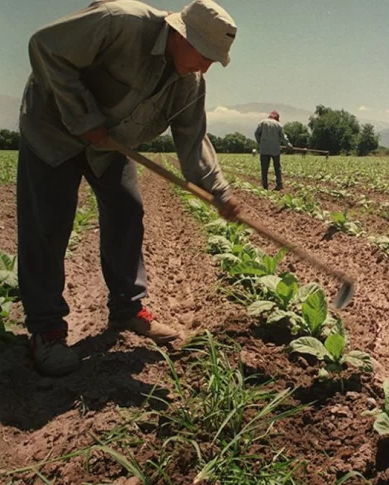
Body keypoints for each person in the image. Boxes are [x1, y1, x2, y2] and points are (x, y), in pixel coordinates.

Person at [17, 0, 241, 376]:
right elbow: (45, 46)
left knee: (126, 211)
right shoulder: (119, 22)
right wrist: (83, 115)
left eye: (213, 60)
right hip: (53, 132)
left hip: (109, 146)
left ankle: (127, 308)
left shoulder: (190, 83)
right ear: (179, 34)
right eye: (204, 55)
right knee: (48, 225)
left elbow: (192, 140)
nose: (206, 66)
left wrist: (219, 191)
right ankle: (47, 330)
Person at [254, 111, 292, 190]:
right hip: (275, 149)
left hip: (264, 149)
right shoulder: (278, 125)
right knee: (277, 167)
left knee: (264, 168)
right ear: (277, 118)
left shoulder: (262, 122)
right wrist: (288, 145)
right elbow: (283, 137)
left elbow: (256, 133)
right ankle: (279, 184)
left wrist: (260, 142)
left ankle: (264, 186)